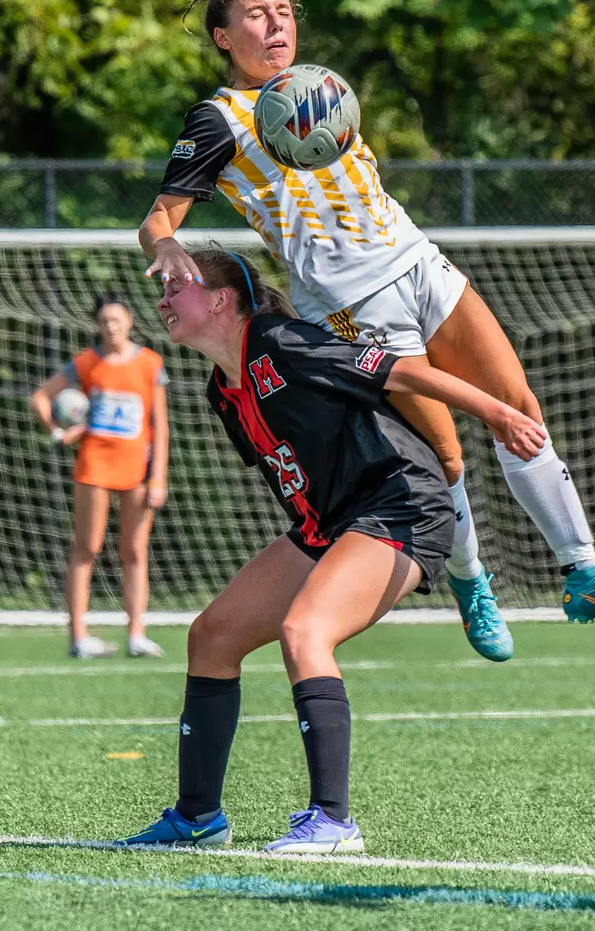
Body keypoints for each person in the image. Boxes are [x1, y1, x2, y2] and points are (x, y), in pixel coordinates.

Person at [138, 0, 595, 661]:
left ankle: (584, 571)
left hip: (418, 260)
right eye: (256, 15)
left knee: (517, 407)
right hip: (348, 304)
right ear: (222, 36)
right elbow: (157, 217)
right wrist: (169, 246)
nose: (275, 24)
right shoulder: (219, 119)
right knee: (445, 453)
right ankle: (472, 580)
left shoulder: (323, 89)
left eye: (283, 11)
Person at [120, 248, 546, 852]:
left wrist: (498, 411)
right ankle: (197, 819)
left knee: (305, 631)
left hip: (402, 503)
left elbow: (400, 371)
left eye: (174, 289)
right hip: (335, 522)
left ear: (219, 299)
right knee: (212, 636)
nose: (161, 301)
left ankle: (333, 822)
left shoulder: (283, 340)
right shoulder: (222, 389)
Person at [31, 293, 169, 659]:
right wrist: (59, 431)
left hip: (138, 470)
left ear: (130, 321)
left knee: (134, 551)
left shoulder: (151, 364)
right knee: (86, 549)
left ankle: (136, 635)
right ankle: (79, 637)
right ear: (97, 325)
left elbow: (160, 426)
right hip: (94, 466)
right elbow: (41, 397)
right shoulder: (87, 363)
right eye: (104, 321)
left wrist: (158, 478)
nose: (110, 326)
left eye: (116, 319)